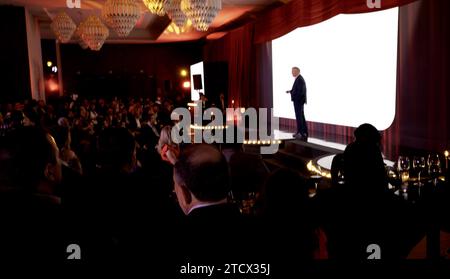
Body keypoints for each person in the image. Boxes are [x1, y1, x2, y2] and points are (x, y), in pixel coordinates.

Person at [287, 67, 308, 140]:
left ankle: (301, 133)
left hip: (298, 101)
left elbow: (301, 92)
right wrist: (291, 91)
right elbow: (297, 90)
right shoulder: (298, 79)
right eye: (292, 71)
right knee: (301, 116)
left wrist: (294, 94)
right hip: (299, 101)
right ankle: (303, 132)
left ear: (298, 71)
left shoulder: (300, 79)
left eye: (293, 71)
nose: (292, 73)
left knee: (299, 117)